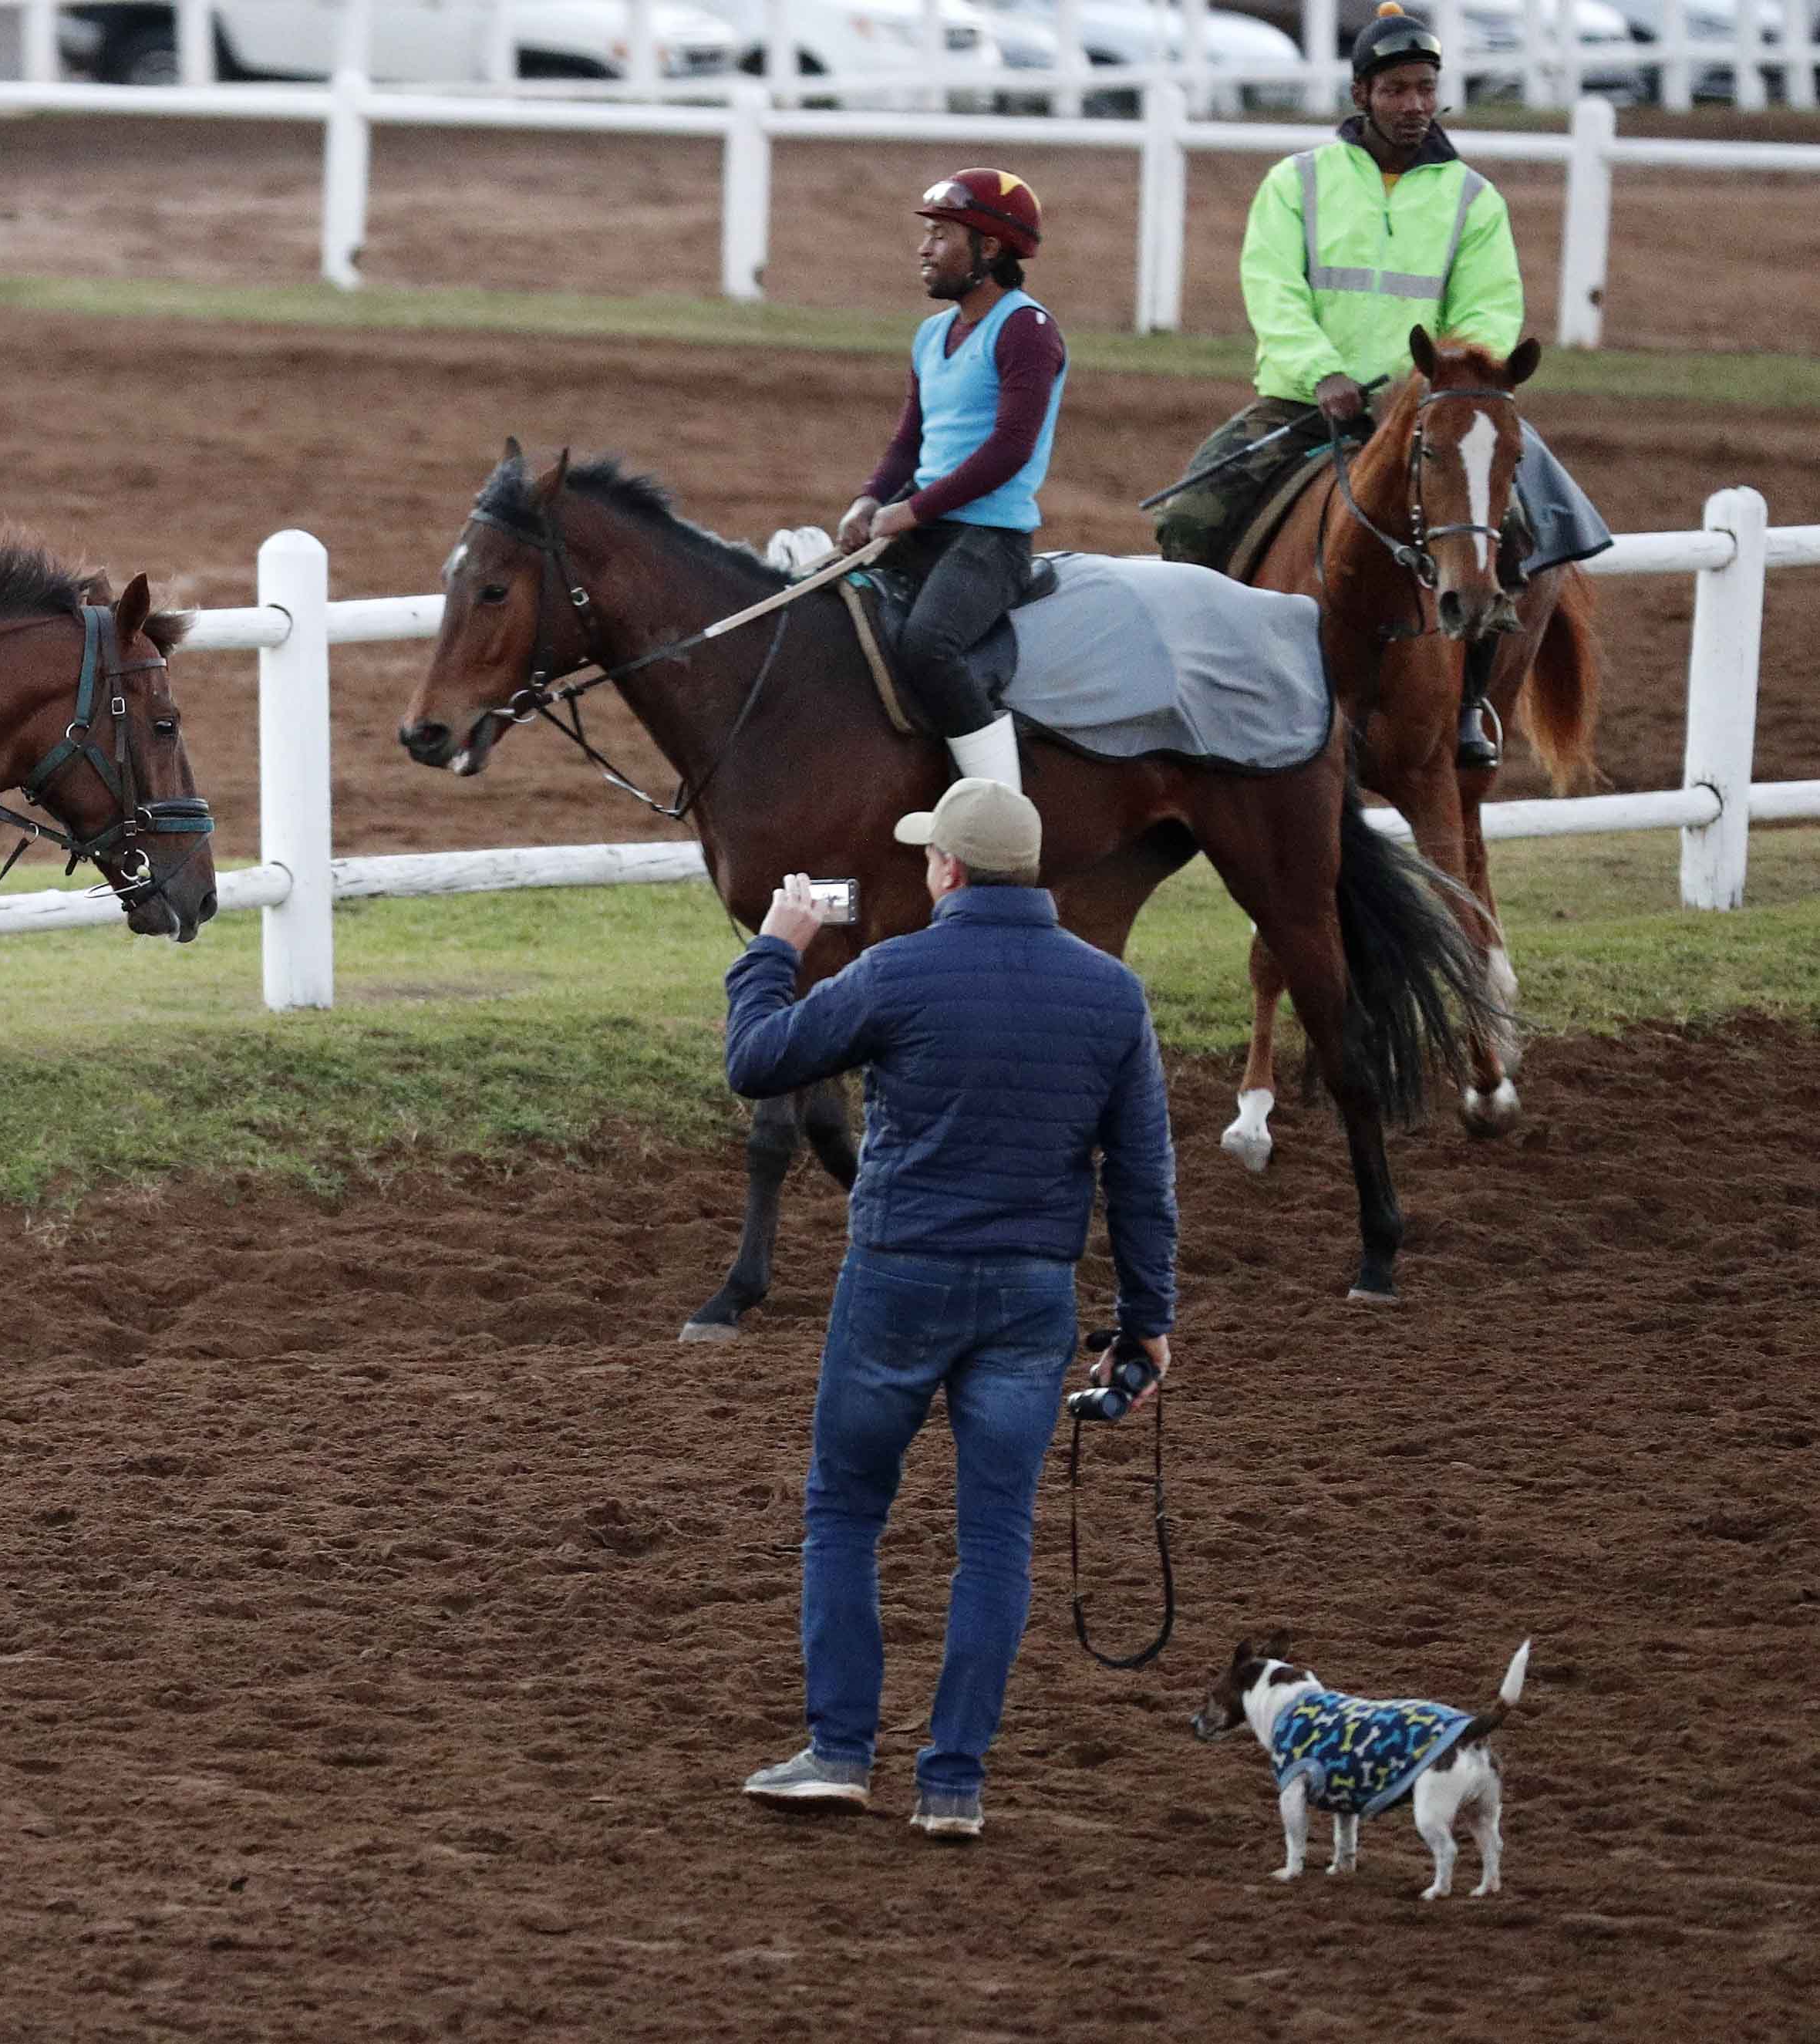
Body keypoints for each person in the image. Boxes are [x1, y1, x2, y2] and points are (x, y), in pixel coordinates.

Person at [726, 778, 1178, 1840]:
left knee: (844, 1509)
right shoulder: (1109, 994)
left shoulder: (894, 970)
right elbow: (1141, 1177)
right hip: (1030, 1295)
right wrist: (1144, 1317)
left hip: (897, 1277)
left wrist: (773, 947)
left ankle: (839, 1750)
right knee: (994, 1537)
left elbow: (755, 1060)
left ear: (945, 869)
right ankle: (953, 1783)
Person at [1148, 2, 1523, 767]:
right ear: (1362, 95)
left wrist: (1434, 386)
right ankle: (1193, 693)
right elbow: (1273, 287)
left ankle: (1467, 710)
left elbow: (1490, 310)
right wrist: (1325, 372)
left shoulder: (1474, 200)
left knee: (1524, 540)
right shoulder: (1298, 183)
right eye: (1397, 90)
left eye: (1426, 88)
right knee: (1189, 521)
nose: (1415, 104)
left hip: (1432, 410)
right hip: (1304, 402)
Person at [837, 168, 1069, 793]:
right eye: (928, 234)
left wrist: (909, 514)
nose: (924, 248)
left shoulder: (1027, 329)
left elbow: (1009, 450)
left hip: (989, 540)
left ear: (988, 249)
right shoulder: (930, 334)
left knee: (928, 646)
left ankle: (1002, 805)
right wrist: (867, 500)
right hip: (923, 523)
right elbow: (908, 442)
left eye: (941, 234)